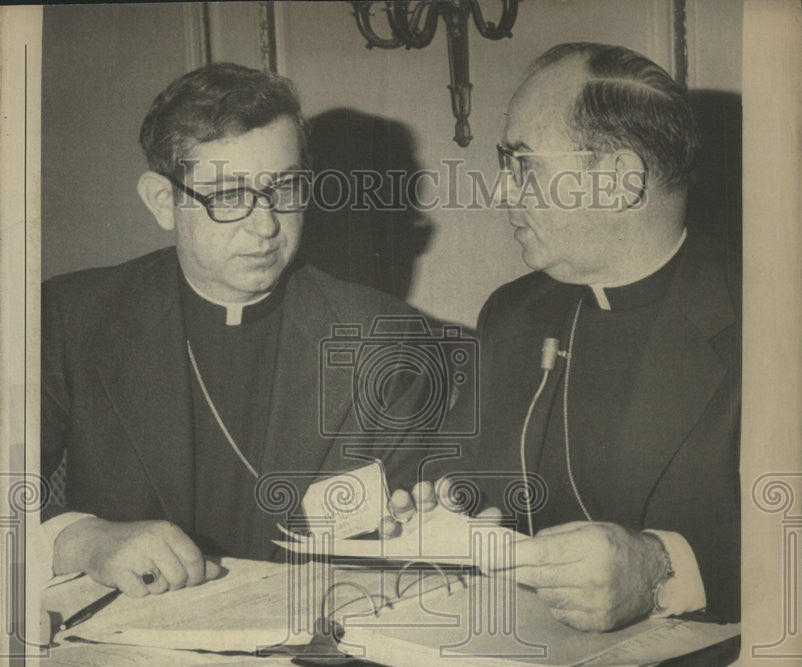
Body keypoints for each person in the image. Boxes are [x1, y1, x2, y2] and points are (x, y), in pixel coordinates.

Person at [41, 63, 431, 598]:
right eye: (228, 195)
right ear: (163, 202)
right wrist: (80, 541)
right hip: (121, 633)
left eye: (286, 187)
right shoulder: (72, 316)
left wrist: (417, 532)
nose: (266, 223)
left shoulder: (385, 336)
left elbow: (416, 535)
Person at [392, 42, 740, 632]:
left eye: (522, 164)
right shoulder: (513, 313)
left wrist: (662, 568)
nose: (502, 193)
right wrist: (438, 513)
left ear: (620, 181)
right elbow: (459, 481)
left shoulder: (776, 322)